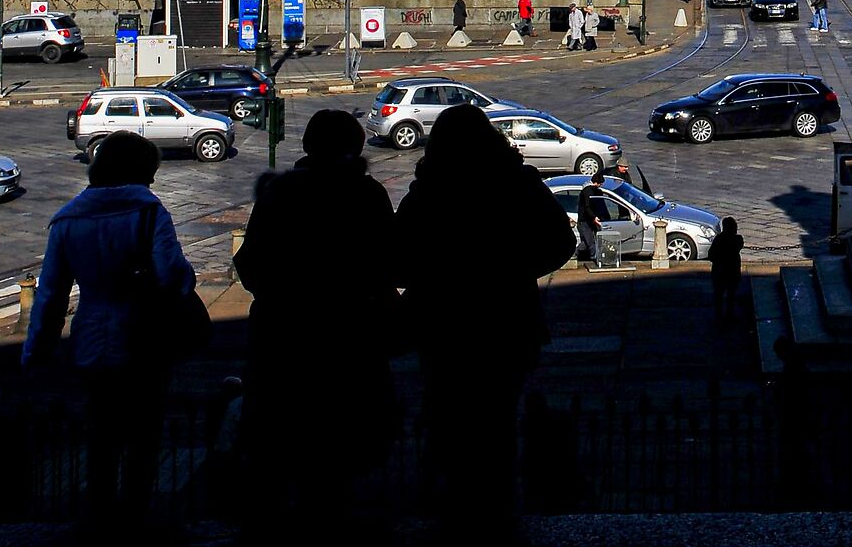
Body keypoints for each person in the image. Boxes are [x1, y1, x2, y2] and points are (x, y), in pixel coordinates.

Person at [393, 103, 574, 504]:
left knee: (447, 417)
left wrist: (437, 275)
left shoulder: (428, 193)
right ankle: (495, 510)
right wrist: (516, 270)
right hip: (508, 320)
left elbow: (398, 262)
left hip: (443, 325)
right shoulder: (517, 183)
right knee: (498, 423)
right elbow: (562, 242)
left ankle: (454, 511)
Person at [23, 131, 197, 521]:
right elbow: (173, 277)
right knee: (143, 441)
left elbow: (49, 296)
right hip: (145, 339)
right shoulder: (150, 211)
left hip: (92, 342)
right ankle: (135, 522)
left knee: (101, 438)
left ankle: (98, 521)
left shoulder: (67, 220)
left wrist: (37, 352)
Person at [234, 108, 399, 488]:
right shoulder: (366, 195)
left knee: (291, 454)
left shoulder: (279, 193)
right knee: (345, 460)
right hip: (352, 340)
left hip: (285, 340)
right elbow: (390, 261)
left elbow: (251, 263)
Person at [709, 216, 743, 321]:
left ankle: (719, 315)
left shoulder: (719, 239)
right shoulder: (737, 239)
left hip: (719, 271)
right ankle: (729, 314)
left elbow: (711, 255)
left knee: (719, 294)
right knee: (731, 294)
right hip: (732, 271)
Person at [576, 181, 606, 266]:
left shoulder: (587, 193)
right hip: (585, 221)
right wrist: (594, 217)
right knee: (590, 241)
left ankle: (573, 254)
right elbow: (587, 208)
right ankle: (596, 258)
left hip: (587, 220)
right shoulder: (588, 193)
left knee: (586, 242)